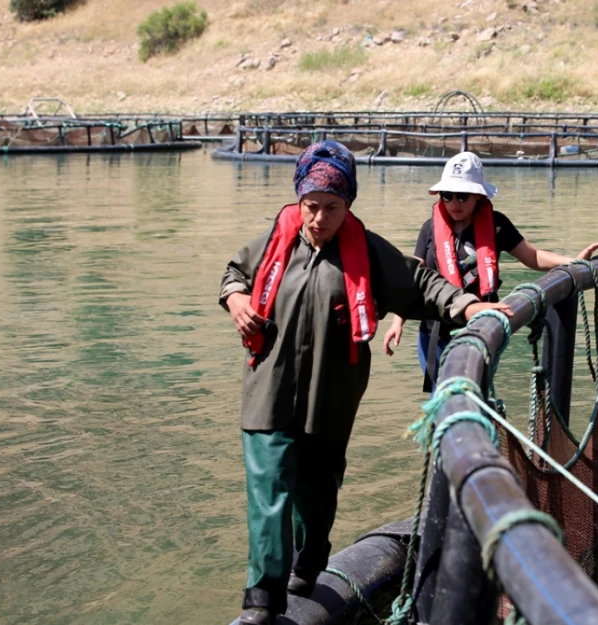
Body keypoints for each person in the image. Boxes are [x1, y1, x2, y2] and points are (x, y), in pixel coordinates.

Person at [219, 141, 511, 625]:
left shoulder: (368, 251)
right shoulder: (276, 241)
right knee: (269, 491)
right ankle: (261, 600)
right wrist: (236, 302)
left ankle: (313, 555)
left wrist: (469, 306)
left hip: (330, 399)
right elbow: (234, 273)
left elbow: (422, 285)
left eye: (331, 208)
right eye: (310, 206)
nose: (318, 218)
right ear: (298, 202)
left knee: (316, 494)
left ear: (348, 205)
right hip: (267, 391)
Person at [380, 151, 598, 389]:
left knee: (477, 394)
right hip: (435, 332)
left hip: (483, 328)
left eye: (462, 196)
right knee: (443, 398)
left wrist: (573, 261)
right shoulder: (430, 228)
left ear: (478, 196)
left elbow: (533, 256)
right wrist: (398, 321)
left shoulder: (497, 225)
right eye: (447, 196)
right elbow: (414, 278)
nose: (454, 203)